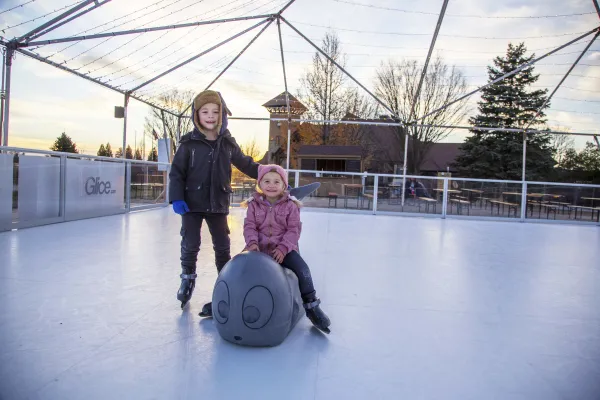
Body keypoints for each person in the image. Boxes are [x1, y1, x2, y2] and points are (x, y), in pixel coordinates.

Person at [168, 90, 259, 314]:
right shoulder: (188, 143)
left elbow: (246, 164)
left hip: (218, 202)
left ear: (222, 115)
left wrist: (268, 172)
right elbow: (176, 172)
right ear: (196, 115)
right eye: (205, 111)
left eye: (215, 112)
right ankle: (187, 278)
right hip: (191, 204)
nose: (210, 116)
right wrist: (177, 197)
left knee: (222, 245)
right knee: (190, 243)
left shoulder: (227, 143)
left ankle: (225, 283)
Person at [241, 164, 331, 333]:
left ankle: (312, 306)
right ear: (260, 184)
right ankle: (225, 300)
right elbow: (250, 226)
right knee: (237, 268)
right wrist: (252, 243)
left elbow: (293, 229)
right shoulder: (254, 205)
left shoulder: (291, 205)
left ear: (284, 185)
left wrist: (283, 248)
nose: (271, 185)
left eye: (276, 181)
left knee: (303, 269)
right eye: (267, 181)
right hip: (258, 249)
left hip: (284, 249)